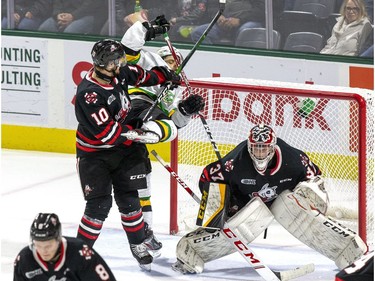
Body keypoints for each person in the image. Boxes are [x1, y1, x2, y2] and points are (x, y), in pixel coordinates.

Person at [172, 124, 368, 274]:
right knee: (236, 221)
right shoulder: (234, 163)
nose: (260, 152)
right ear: (249, 147)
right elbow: (207, 177)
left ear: (273, 147)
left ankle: (348, 252)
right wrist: (222, 205)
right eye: (256, 148)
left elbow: (315, 175)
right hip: (245, 205)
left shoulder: (294, 160)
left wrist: (307, 197)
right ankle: (191, 251)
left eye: (264, 148)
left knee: (297, 204)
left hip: (284, 200)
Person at [74, 20, 181, 271]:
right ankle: (76, 254)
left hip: (123, 148)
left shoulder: (118, 72)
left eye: (120, 61)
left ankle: (137, 244)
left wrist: (165, 76)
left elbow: (141, 76)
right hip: (96, 155)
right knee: (98, 207)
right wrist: (138, 133)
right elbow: (108, 135)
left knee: (131, 201)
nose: (120, 65)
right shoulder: (90, 94)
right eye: (114, 62)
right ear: (102, 65)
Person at [120, 16, 205, 257]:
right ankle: (143, 130)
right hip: (130, 107)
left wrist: (186, 110)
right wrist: (146, 28)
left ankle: (146, 232)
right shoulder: (146, 59)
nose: (172, 64)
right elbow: (129, 48)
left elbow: (175, 122)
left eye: (175, 61)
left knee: (142, 183)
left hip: (142, 128)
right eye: (168, 60)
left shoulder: (176, 87)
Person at [13, 213, 116, 280]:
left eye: (48, 246)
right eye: (38, 245)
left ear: (58, 239)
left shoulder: (81, 253)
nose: (43, 251)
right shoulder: (24, 260)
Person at [190, 0, 265, 45]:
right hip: (223, 23)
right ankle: (214, 62)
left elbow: (260, 10)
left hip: (246, 21)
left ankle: (240, 64)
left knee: (246, 31)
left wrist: (240, 20)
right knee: (198, 33)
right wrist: (218, 16)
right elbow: (212, 7)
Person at [38, 0, 107, 34]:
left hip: (89, 14)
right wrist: (58, 14)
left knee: (70, 32)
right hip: (65, 13)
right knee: (45, 28)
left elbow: (92, 4)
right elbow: (57, 2)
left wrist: (73, 16)